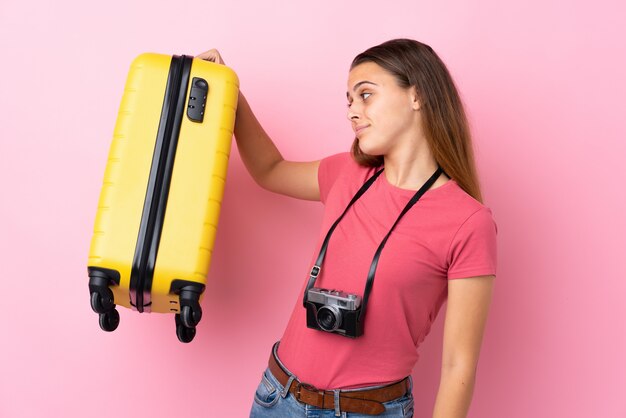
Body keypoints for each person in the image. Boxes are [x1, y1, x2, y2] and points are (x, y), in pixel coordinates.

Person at [196, 38, 497, 418]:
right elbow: (269, 170)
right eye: (349, 101)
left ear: (417, 96)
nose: (353, 112)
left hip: (368, 410)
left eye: (366, 95)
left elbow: (458, 368)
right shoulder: (347, 174)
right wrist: (231, 92)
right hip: (279, 397)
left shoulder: (468, 221)